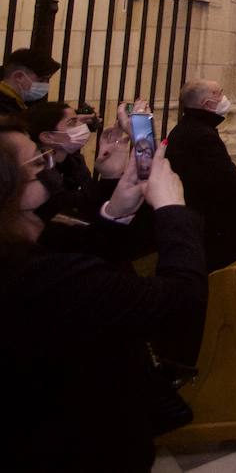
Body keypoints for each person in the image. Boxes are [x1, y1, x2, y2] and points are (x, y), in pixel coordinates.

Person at [0, 117, 207, 472]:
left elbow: (78, 251)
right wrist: (173, 210)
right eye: (37, 161)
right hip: (77, 442)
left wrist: (117, 210)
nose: (49, 164)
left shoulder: (30, 246)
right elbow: (181, 299)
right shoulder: (41, 277)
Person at [166, 78, 236, 272]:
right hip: (212, 226)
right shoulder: (202, 136)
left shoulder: (190, 129)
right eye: (219, 93)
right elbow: (226, 181)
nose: (224, 97)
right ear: (207, 103)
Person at [0, 47, 60, 115]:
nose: (45, 84)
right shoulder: (4, 108)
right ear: (19, 77)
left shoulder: (22, 103)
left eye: (47, 80)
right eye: (41, 80)